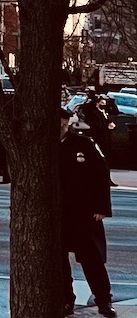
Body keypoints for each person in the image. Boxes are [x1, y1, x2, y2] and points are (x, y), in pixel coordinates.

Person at [59, 106, 115, 317]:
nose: (60, 127)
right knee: (59, 262)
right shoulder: (44, 146)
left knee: (92, 260)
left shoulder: (84, 144)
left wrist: (101, 208)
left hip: (83, 212)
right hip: (58, 213)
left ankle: (104, 300)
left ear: (66, 123)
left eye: (62, 123)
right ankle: (66, 300)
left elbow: (101, 174)